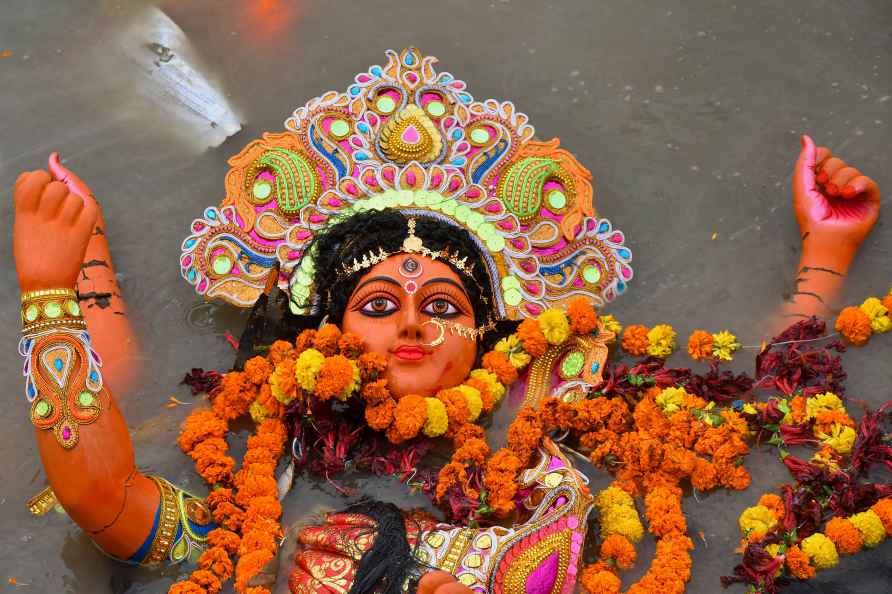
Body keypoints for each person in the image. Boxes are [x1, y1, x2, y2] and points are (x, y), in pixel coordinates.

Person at [10, 48, 880, 594]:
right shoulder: (254, 491)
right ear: (321, 339)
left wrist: (827, 257)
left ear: (492, 342)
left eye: (445, 308)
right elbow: (103, 492)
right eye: (379, 307)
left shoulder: (558, 449)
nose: (414, 327)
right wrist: (66, 282)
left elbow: (753, 401)